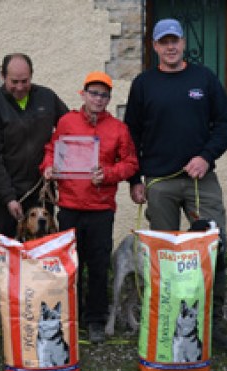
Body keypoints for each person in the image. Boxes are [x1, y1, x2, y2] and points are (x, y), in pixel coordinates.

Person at [124, 18, 227, 349]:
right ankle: (166, 320)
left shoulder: (204, 78)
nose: (170, 47)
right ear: (155, 46)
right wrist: (134, 178)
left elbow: (224, 123)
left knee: (216, 246)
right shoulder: (144, 84)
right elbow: (131, 135)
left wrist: (206, 157)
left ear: (184, 43)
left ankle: (212, 325)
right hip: (160, 182)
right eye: (163, 41)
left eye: (175, 40)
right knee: (162, 255)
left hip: (201, 179)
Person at [41, 71, 138, 343]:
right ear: (82, 94)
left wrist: (107, 174)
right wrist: (48, 167)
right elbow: (51, 149)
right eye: (94, 93)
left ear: (109, 98)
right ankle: (70, 315)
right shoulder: (67, 121)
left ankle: (95, 319)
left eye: (104, 95)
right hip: (69, 205)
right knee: (70, 265)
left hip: (100, 209)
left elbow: (130, 163)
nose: (99, 99)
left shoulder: (119, 129)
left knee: (97, 266)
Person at [0, 53, 68, 245]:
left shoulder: (47, 98)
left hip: (39, 188)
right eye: (14, 81)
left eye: (25, 81)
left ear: (32, 75)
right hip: (3, 193)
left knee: (42, 247)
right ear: (2, 77)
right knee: (6, 248)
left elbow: (69, 128)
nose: (20, 87)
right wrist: (9, 198)